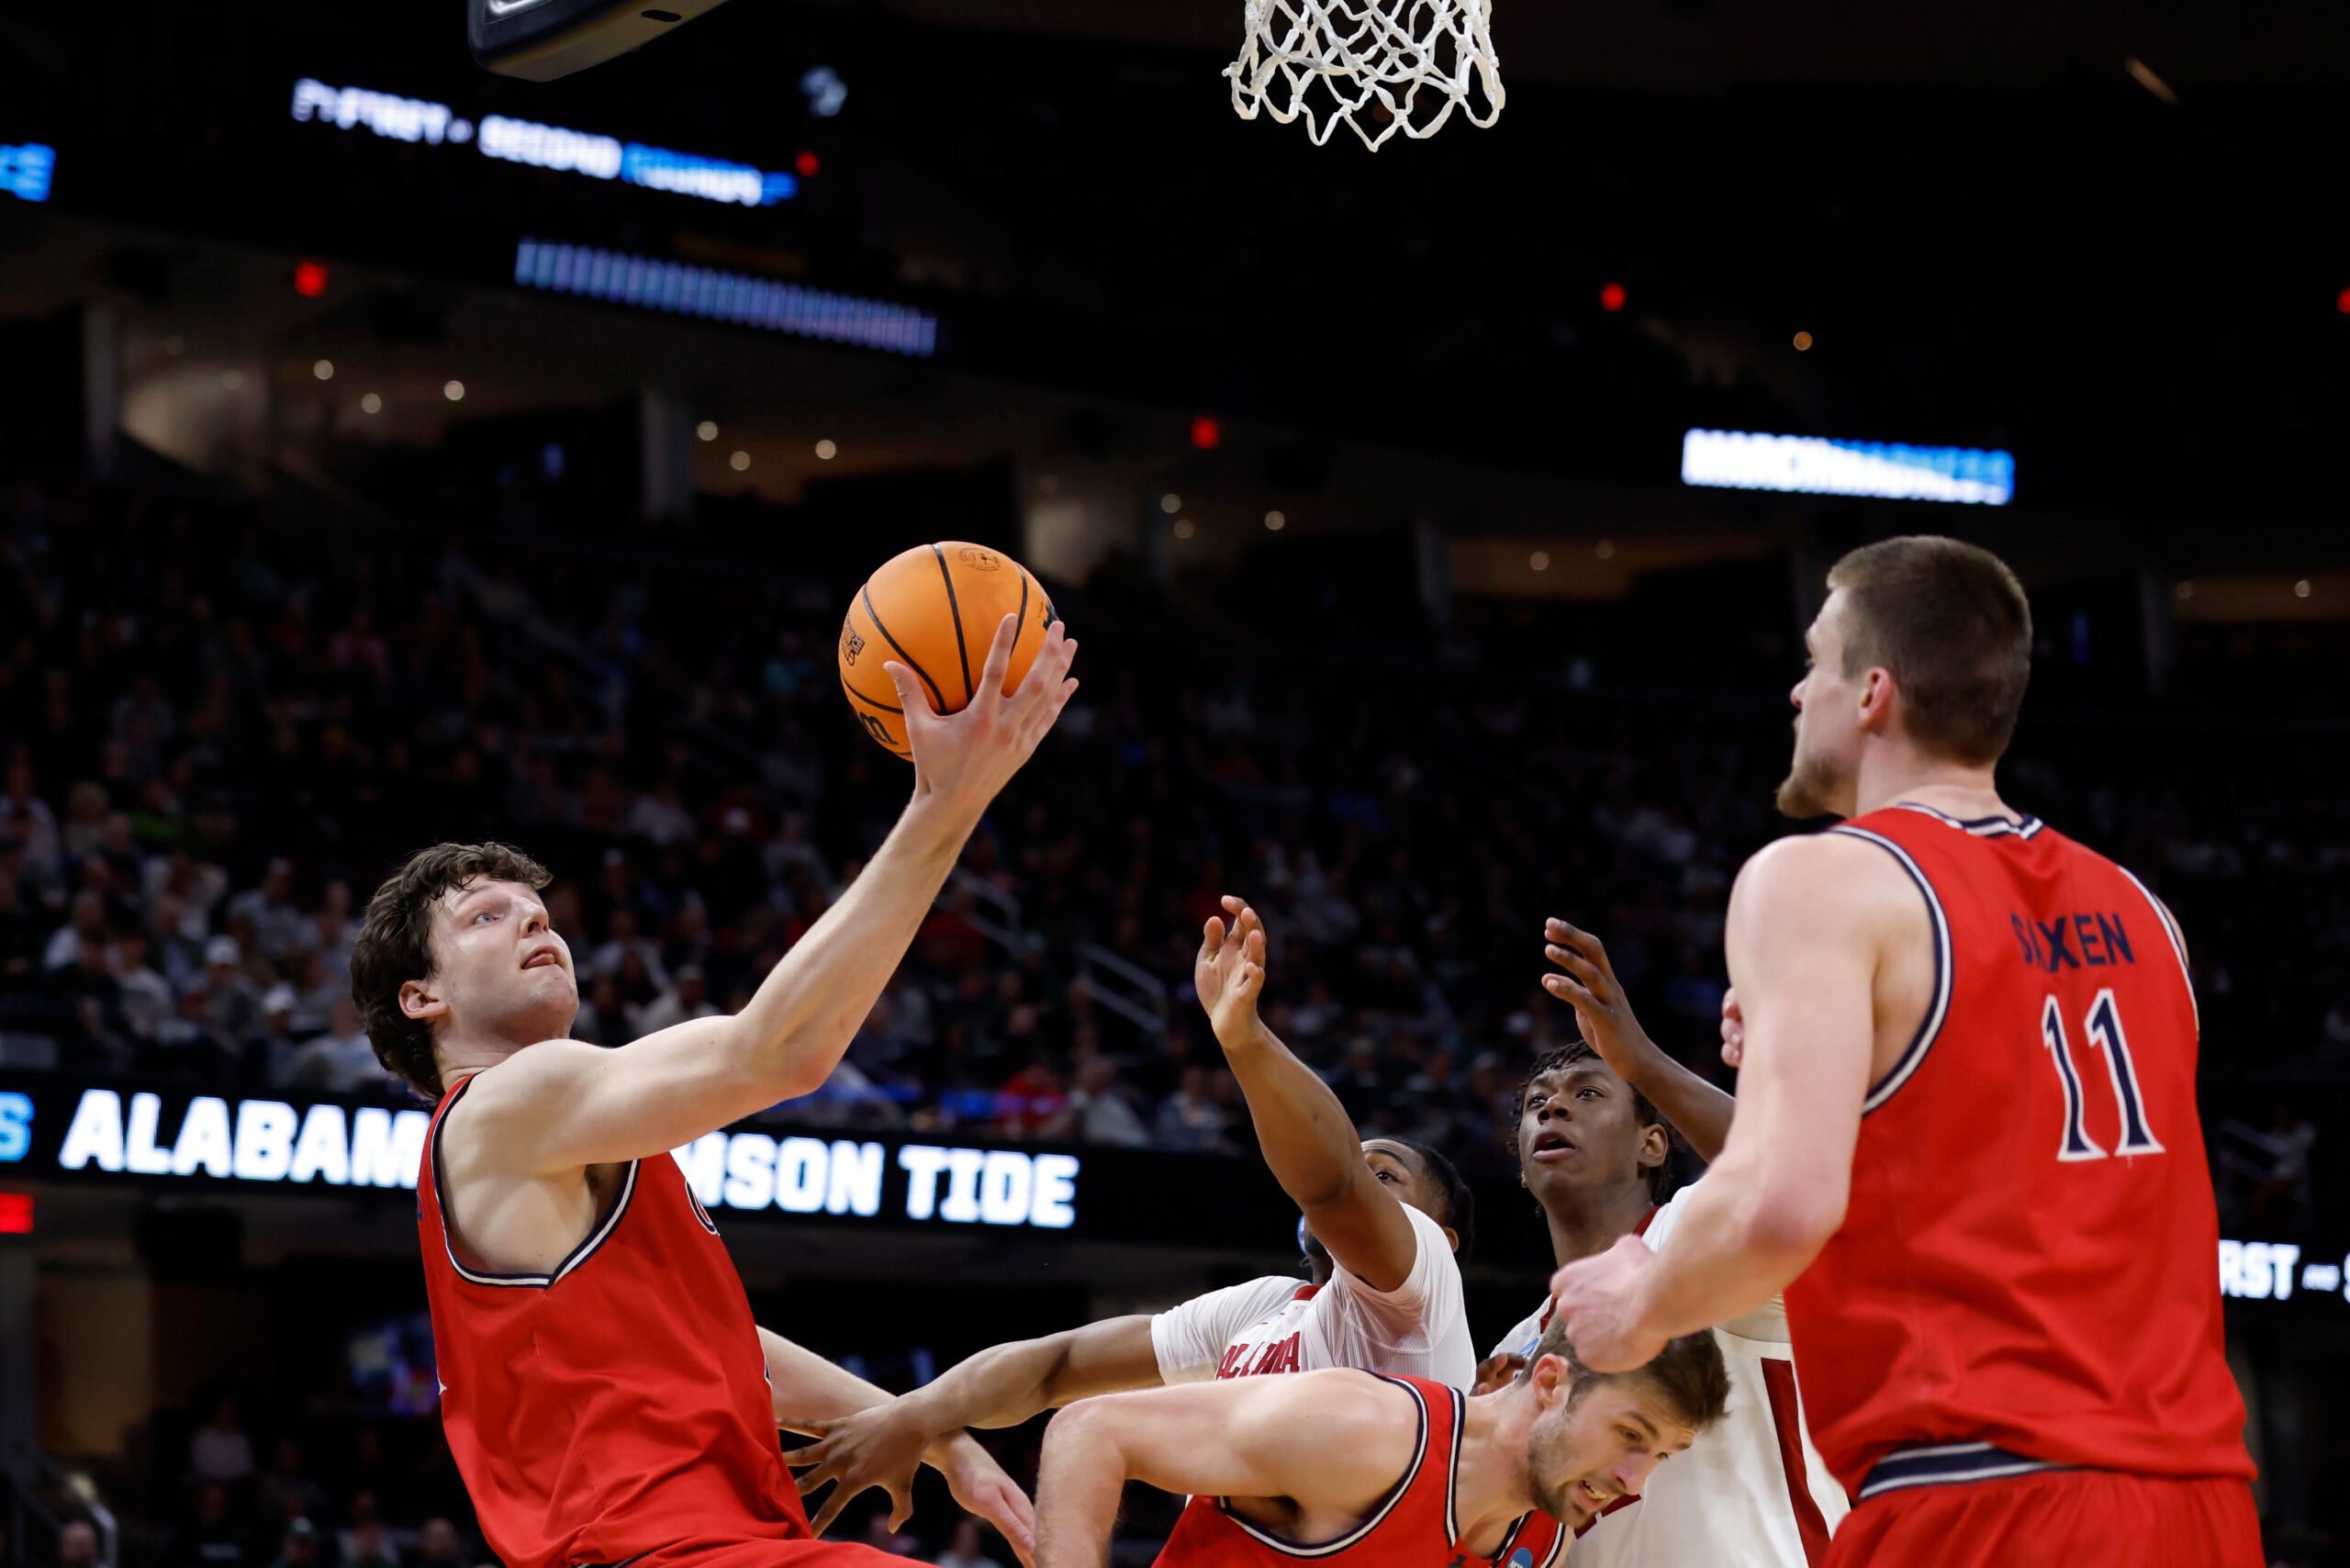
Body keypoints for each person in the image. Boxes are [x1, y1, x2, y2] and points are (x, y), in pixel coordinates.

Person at [1548, 536, 2259, 1566]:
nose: (1797, 695)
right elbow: (2022, 1157)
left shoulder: (1820, 880)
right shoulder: (2148, 914)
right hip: (2198, 1501)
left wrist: (1637, 1304)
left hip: (1978, 1491)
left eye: (1813, 664)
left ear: (1873, 691)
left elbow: (1781, 1206)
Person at [352, 614, 1077, 1568]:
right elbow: (776, 1052)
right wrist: (947, 802)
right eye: (489, 917)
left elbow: (729, 1344)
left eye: (540, 913)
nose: (537, 926)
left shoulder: (573, 1140)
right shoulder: (504, 1102)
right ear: (423, 996)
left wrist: (934, 1432)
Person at [789, 897, 1477, 1539]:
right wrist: (912, 1417)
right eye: (1360, 1164)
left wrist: (1245, 1042)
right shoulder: (1267, 1307)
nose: (1362, 1179)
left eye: (1385, 1175)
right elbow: (1052, 1367)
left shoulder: (1422, 1289)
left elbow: (1329, 1183)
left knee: (1096, 1432)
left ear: (1441, 1239)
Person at [1472, 924, 1846, 1565]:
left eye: (1587, 1093)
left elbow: (1792, 1175)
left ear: (1652, 1144)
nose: (1553, 1110)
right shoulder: (1517, 1348)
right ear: (1523, 1168)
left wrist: (1639, 1059)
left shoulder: (1690, 1236)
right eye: (1538, 1103)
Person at [1032, 1315, 1729, 1568]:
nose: (1635, 1482)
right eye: (1630, 1436)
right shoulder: (1369, 1433)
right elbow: (1092, 1429)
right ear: (1549, 1382)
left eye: (1662, 1456)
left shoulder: (1545, 1540)